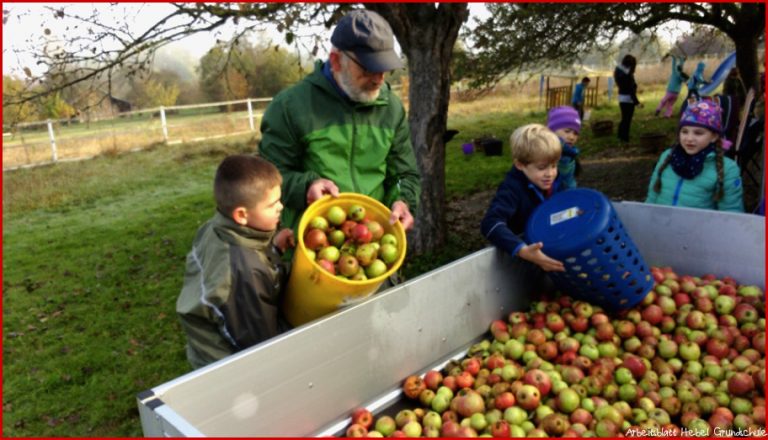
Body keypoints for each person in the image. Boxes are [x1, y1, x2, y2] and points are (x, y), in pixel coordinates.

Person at [258, 9, 421, 237]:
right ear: (336, 61)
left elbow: (404, 174)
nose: (379, 79)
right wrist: (306, 187)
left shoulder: (390, 109)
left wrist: (404, 201)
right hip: (314, 243)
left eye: (385, 68)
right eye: (368, 68)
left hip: (373, 241)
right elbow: (267, 180)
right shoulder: (290, 107)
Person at [176, 155, 295, 369]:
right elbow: (261, 345)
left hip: (211, 337)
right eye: (272, 204)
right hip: (228, 365)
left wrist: (274, 249)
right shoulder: (244, 275)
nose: (281, 207)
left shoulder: (216, 228)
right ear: (241, 215)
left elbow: (248, 255)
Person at [480, 124, 566, 273]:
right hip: (523, 261)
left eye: (554, 165)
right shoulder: (512, 189)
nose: (550, 173)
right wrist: (522, 249)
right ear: (520, 165)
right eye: (542, 168)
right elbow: (490, 223)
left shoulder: (556, 182)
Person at [645, 100, 744, 212]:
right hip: (661, 225)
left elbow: (731, 212)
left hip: (700, 229)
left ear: (714, 137)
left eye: (698, 133)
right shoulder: (667, 156)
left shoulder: (728, 169)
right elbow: (652, 197)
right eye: (684, 132)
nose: (689, 138)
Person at [546, 105, 582, 189]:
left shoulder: (570, 154)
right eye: (567, 131)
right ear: (552, 131)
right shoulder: (544, 153)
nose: (571, 137)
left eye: (575, 133)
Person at [614, 54, 642, 143]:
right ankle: (625, 138)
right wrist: (637, 103)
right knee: (627, 119)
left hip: (621, 98)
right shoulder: (628, 75)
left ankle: (620, 135)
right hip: (629, 100)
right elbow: (631, 90)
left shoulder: (618, 71)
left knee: (623, 118)